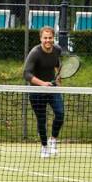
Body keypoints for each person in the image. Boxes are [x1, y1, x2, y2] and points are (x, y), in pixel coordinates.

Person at [23, 26, 65, 158]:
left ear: (53, 38)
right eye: (45, 38)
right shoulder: (35, 53)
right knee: (41, 120)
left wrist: (58, 77)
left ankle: (53, 140)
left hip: (52, 89)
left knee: (60, 113)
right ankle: (44, 147)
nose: (48, 40)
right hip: (36, 91)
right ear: (41, 38)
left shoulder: (57, 50)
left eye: (50, 38)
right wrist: (42, 84)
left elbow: (58, 65)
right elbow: (26, 74)